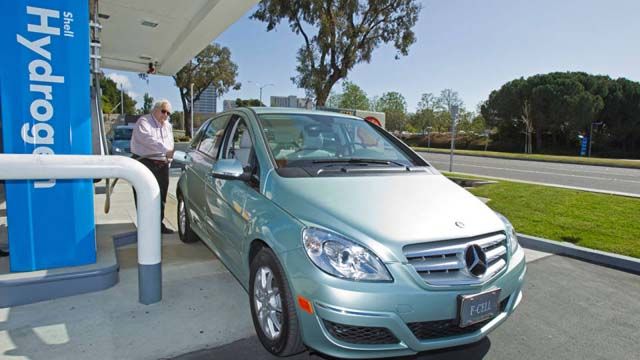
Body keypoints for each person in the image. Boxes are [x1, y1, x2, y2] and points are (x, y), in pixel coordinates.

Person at [130, 99, 175, 234]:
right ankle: (145, 227)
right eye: (163, 111)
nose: (166, 115)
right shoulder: (144, 122)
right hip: (145, 162)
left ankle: (158, 225)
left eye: (168, 113)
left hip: (162, 165)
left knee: (161, 196)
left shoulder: (168, 126)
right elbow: (148, 140)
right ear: (155, 109)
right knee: (143, 195)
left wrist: (169, 158)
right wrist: (166, 150)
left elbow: (170, 144)